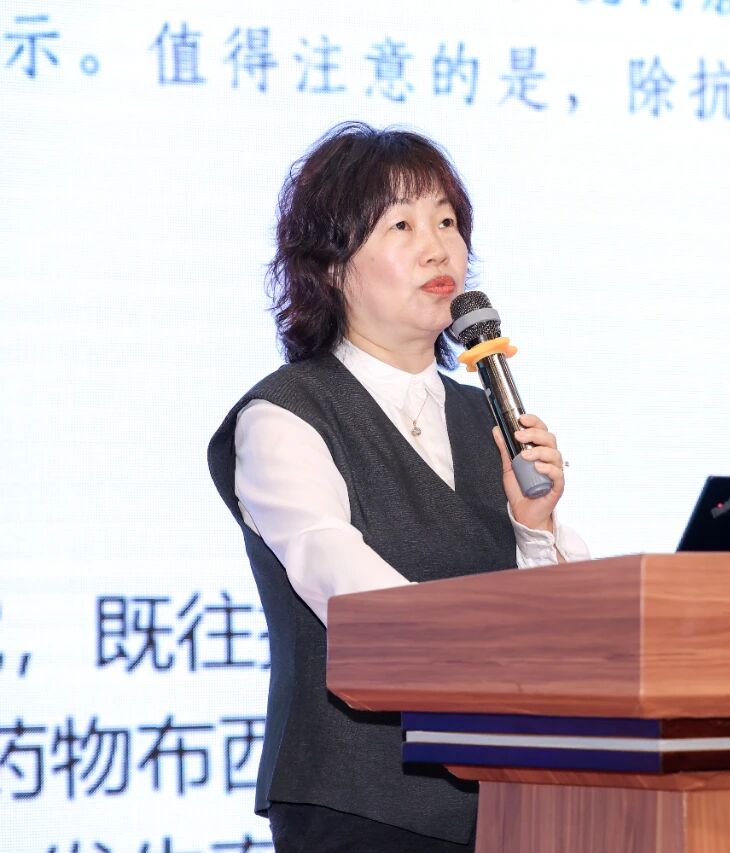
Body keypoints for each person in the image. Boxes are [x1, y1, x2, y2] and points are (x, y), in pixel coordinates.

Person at [207, 122, 589, 853]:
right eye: (402, 225)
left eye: (447, 222)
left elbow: (566, 633)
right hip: (360, 810)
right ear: (330, 265)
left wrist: (536, 526)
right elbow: (350, 592)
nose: (438, 248)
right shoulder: (284, 416)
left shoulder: (488, 415)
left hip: (513, 806)